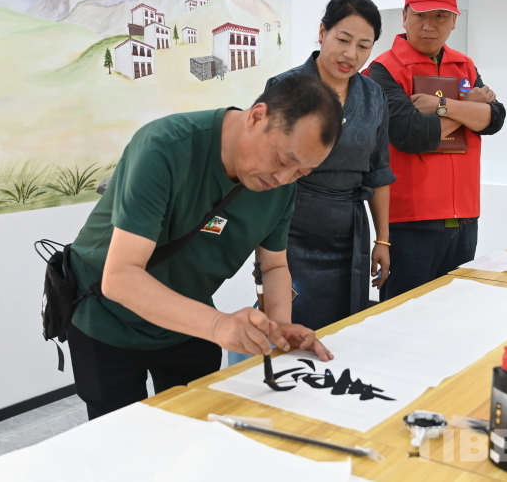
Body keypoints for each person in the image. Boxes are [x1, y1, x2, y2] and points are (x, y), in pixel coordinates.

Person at [66, 73, 342, 420]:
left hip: (188, 317)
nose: (284, 179)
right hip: (109, 320)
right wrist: (216, 326)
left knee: (198, 426)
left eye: (302, 172)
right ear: (257, 117)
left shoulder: (281, 188)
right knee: (122, 439)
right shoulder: (164, 147)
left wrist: (279, 327)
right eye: (283, 161)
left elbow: (273, 266)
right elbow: (120, 278)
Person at [366, 0, 506, 301]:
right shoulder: (384, 70)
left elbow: (495, 118)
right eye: (420, 15)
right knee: (403, 315)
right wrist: (468, 107)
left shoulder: (464, 65)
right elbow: (410, 134)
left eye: (441, 16)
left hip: (465, 216)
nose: (429, 26)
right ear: (404, 16)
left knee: (453, 313)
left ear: (454, 21)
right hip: (411, 221)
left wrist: (443, 106)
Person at [265, 0, 395, 331]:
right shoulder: (285, 87)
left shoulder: (373, 96)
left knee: (344, 330)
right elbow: (264, 170)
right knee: (290, 328)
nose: (351, 54)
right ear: (322, 32)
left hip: (349, 234)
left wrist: (382, 239)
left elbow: (379, 171)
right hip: (291, 232)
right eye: (343, 39)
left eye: (364, 46)